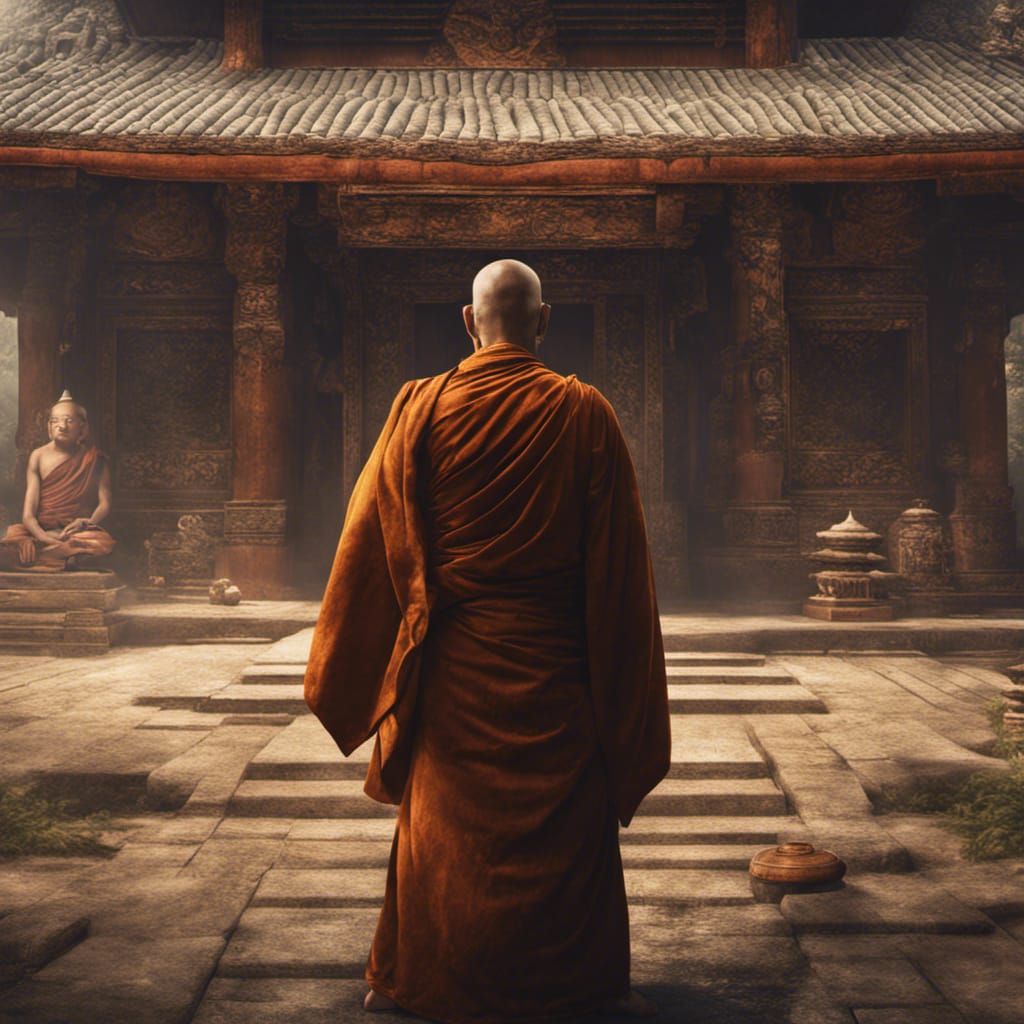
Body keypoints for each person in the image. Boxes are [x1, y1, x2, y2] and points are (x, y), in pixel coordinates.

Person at [305, 259, 670, 1022]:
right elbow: (619, 573)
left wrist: (364, 652)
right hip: (555, 676)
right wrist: (623, 693)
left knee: (446, 834)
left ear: (469, 323)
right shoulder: (585, 412)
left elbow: (369, 542)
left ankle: (420, 977)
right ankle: (578, 983)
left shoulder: (420, 406)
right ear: (544, 321)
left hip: (454, 673)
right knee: (565, 833)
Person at [0, 391, 115, 571]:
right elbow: (28, 515)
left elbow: (105, 503)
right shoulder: (38, 456)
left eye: (69, 421)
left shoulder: (95, 458)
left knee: (102, 543)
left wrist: (87, 522)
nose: (62, 426)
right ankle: (63, 556)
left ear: (83, 427)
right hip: (40, 532)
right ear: (49, 427)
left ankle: (49, 556)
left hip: (76, 532)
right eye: (55, 421)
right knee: (8, 548)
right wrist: (42, 537)